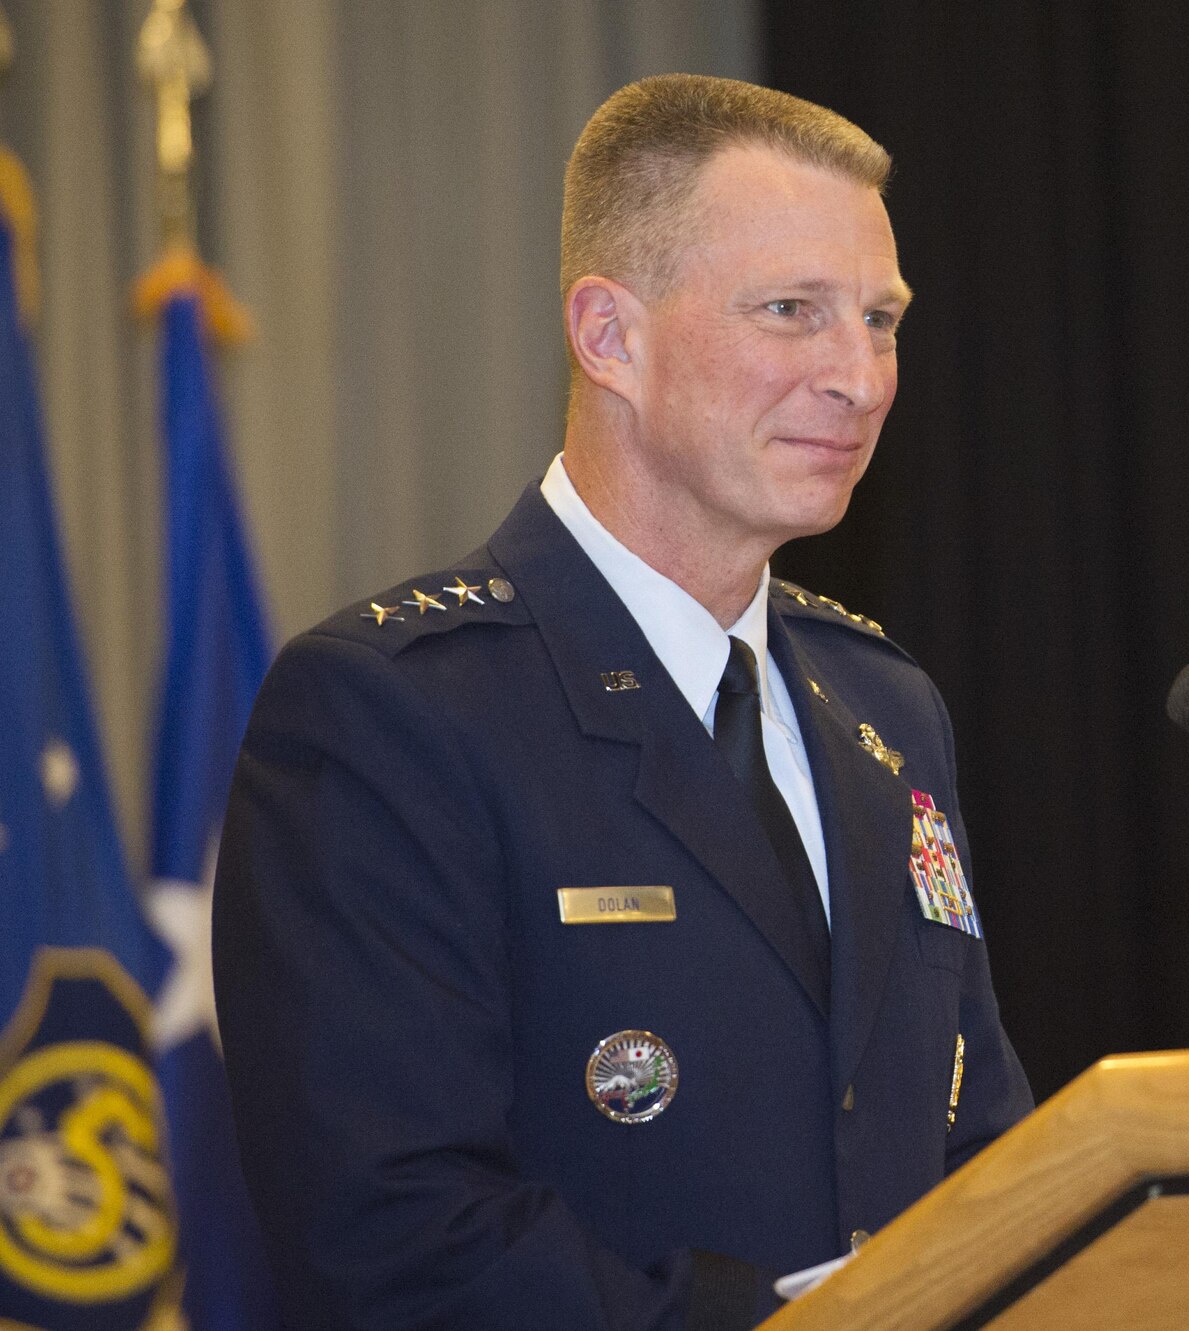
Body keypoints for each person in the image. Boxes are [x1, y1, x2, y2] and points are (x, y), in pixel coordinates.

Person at [213, 74, 1033, 1331]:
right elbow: (388, 1234)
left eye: (879, 318)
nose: (859, 377)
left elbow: (974, 1139)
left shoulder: (885, 707)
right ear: (609, 337)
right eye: (791, 312)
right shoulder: (392, 713)